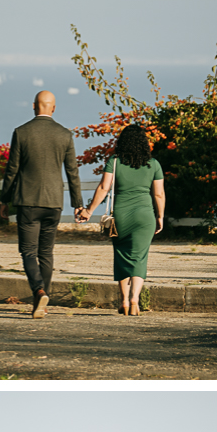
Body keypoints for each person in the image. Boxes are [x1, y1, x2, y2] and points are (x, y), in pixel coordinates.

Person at [0, 90, 86, 318]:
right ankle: (43, 301)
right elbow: (72, 172)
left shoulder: (21, 132)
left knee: (28, 251)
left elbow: (12, 170)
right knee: (46, 252)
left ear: (33, 106)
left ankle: (39, 291)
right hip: (54, 202)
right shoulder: (65, 134)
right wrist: (78, 203)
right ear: (54, 108)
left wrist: (4, 199)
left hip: (27, 202)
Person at [77, 124, 165, 315]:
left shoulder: (114, 161)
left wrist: (89, 211)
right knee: (140, 258)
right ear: (144, 143)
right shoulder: (154, 164)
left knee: (122, 257)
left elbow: (103, 188)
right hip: (145, 216)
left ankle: (124, 302)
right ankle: (135, 300)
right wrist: (160, 216)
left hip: (121, 217)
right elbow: (158, 195)